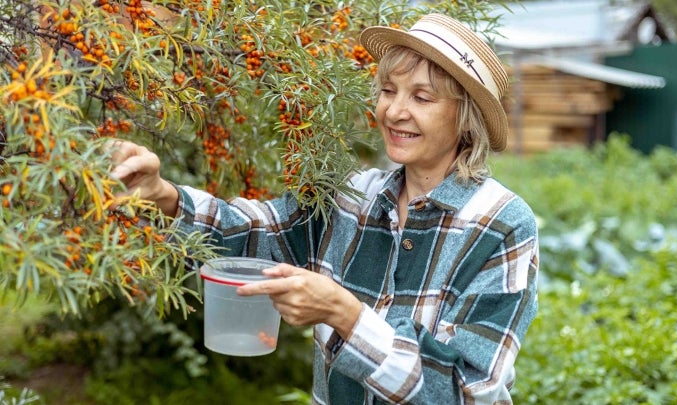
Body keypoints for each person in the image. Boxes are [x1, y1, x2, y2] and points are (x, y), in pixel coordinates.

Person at [111, 13, 539, 404]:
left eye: (422, 98)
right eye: (388, 91)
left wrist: (345, 314)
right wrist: (163, 194)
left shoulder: (501, 226)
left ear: (466, 117)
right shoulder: (350, 196)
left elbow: (464, 391)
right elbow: (254, 232)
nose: (394, 110)